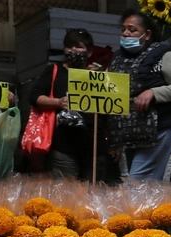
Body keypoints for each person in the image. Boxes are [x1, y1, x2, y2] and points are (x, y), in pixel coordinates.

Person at [107, 10, 171, 180]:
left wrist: (153, 92)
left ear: (147, 35)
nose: (126, 33)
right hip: (131, 133)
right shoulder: (117, 58)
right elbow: (111, 95)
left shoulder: (163, 54)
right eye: (123, 29)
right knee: (144, 183)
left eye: (132, 30)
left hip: (162, 126)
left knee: (138, 181)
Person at [25, 28, 117, 181]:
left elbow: (111, 109)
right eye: (69, 46)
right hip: (64, 147)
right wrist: (58, 102)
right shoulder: (54, 70)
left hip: (94, 149)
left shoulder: (98, 76)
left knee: (93, 195)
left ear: (88, 52)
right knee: (65, 196)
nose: (73, 50)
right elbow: (34, 97)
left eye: (79, 47)